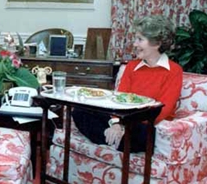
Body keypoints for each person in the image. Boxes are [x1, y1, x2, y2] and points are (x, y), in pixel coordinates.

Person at [72, 15, 183, 152]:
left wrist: (124, 125)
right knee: (80, 111)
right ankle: (113, 139)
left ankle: (108, 139)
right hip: (123, 120)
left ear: (157, 43)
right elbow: (119, 99)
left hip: (146, 124)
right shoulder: (131, 66)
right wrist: (116, 124)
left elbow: (162, 110)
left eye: (140, 39)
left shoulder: (174, 71)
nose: (135, 44)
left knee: (142, 133)